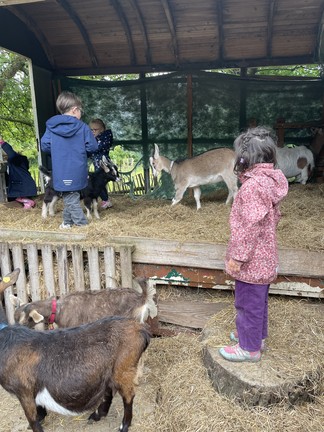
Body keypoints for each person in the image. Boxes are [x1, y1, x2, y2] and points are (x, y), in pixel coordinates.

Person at [219, 126, 289, 363]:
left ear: (244, 158)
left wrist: (238, 257)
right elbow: (273, 218)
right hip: (266, 257)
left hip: (251, 262)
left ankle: (248, 349)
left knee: (247, 303)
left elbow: (248, 228)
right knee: (258, 302)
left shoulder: (251, 188)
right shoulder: (268, 183)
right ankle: (256, 337)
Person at [41, 91, 98, 229]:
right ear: (74, 110)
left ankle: (67, 222)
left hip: (61, 168)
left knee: (69, 195)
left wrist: (58, 153)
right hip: (77, 168)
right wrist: (81, 152)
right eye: (80, 111)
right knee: (71, 196)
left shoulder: (52, 127)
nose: (81, 114)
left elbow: (45, 145)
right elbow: (93, 146)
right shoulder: (83, 127)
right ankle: (82, 224)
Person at [0, 137, 37, 209]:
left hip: (22, 186)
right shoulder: (21, 163)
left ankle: (29, 202)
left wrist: (2, 143)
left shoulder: (16, 160)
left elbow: (11, 154)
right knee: (22, 201)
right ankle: (28, 205)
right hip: (27, 185)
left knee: (17, 198)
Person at [88, 118, 114, 209]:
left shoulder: (104, 138)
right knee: (99, 182)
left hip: (102, 164)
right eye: (91, 130)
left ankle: (105, 200)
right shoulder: (97, 138)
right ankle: (105, 200)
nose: (92, 132)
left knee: (100, 182)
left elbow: (96, 148)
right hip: (97, 163)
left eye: (95, 130)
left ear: (102, 129)